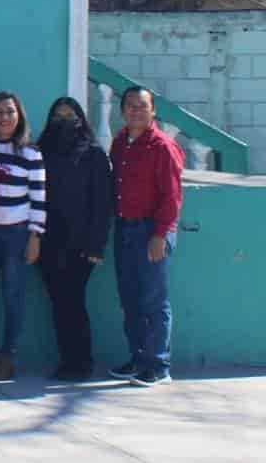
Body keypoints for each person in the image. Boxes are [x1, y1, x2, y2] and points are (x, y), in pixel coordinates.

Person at [108, 86, 184, 387]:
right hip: (125, 228)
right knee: (130, 299)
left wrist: (160, 234)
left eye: (142, 106)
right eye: (129, 106)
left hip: (152, 231)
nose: (135, 111)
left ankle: (158, 364)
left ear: (153, 111)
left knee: (153, 299)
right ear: (122, 110)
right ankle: (138, 358)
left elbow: (172, 196)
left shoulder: (163, 146)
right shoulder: (120, 143)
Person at [36, 96, 113, 381]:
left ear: (81, 119)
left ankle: (80, 361)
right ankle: (66, 360)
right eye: (58, 115)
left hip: (81, 246)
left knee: (73, 301)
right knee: (58, 302)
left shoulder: (93, 154)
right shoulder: (42, 151)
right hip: (47, 242)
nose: (64, 120)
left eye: (70, 115)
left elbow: (103, 203)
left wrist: (96, 245)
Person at [0, 92, 47, 381]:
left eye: (10, 112)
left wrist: (35, 236)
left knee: (13, 296)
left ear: (19, 117)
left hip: (16, 234)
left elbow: (39, 197)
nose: (5, 118)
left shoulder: (30, 153)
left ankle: (8, 355)